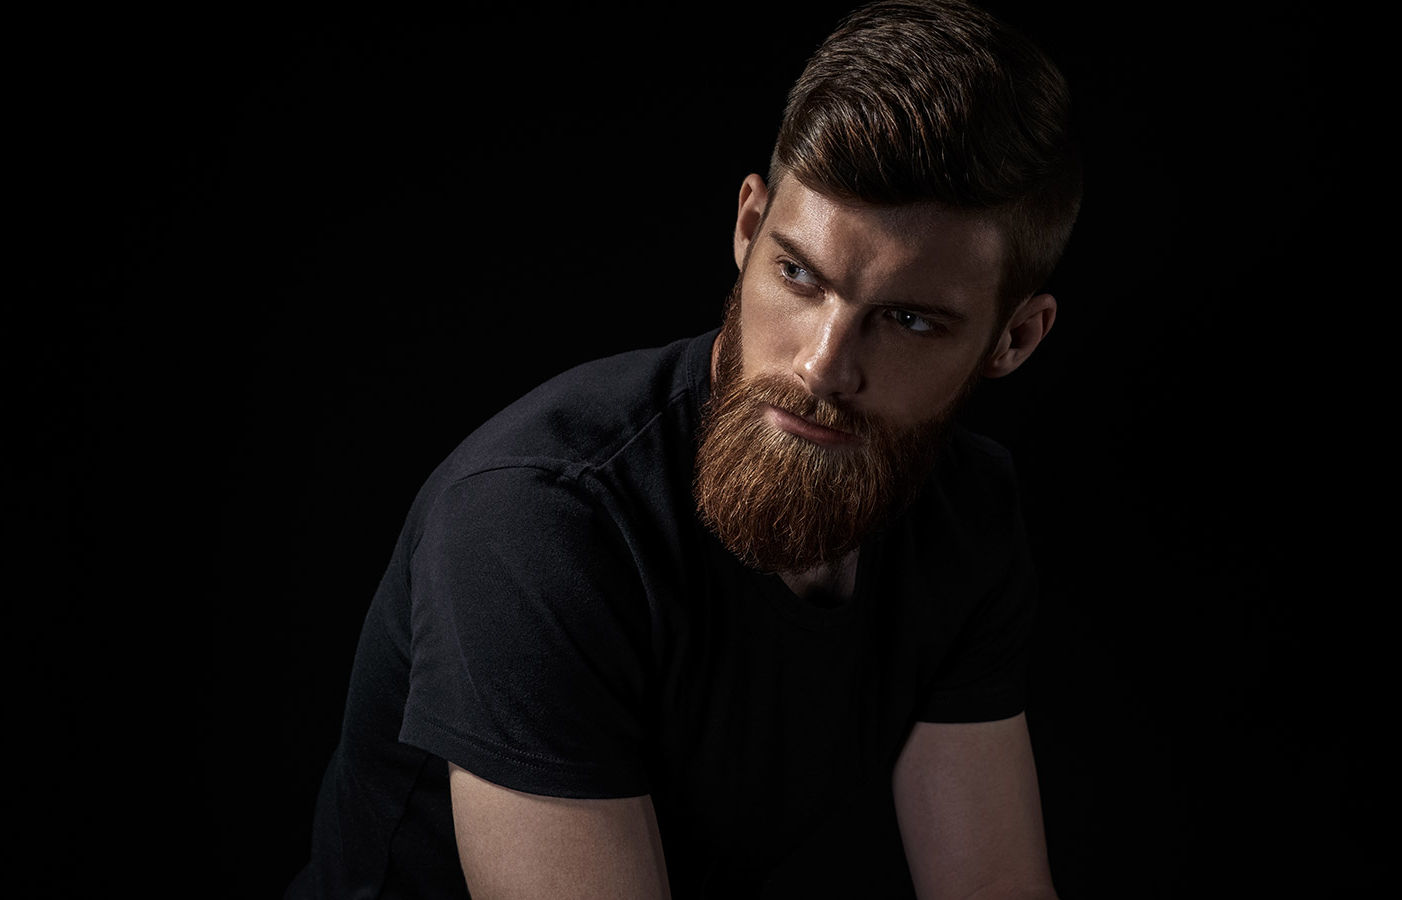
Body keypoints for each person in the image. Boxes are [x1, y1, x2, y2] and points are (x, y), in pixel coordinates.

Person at [287, 1, 1082, 897]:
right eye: (799, 275)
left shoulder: (965, 520)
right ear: (748, 228)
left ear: (1015, 338)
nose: (823, 366)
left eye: (907, 320)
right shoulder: (535, 523)